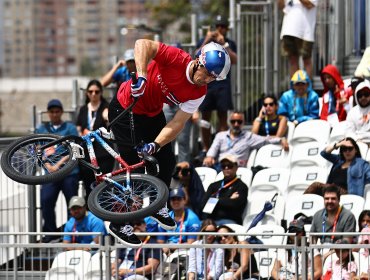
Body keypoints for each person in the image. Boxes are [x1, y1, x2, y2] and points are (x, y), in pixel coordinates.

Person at [107, 38, 231, 247]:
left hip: (152, 114)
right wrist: (142, 76)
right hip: (126, 107)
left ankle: (158, 205)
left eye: (214, 78)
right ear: (199, 62)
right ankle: (120, 222)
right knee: (134, 169)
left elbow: (178, 122)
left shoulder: (199, 93)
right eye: (209, 73)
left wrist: (155, 144)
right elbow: (141, 44)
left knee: (166, 162)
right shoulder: (177, 59)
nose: (208, 80)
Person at [36, 99, 79, 242]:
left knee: (72, 203)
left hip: (69, 172)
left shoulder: (70, 128)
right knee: (46, 201)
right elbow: (37, 150)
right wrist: (48, 166)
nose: (54, 114)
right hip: (50, 173)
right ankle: (51, 232)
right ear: (48, 113)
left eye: (57, 111)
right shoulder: (41, 129)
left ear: (61, 112)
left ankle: (70, 233)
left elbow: (74, 149)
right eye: (52, 112)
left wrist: (58, 164)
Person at [195, 15, 237, 157]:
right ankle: (207, 149)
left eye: (223, 27)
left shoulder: (229, 42)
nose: (220, 29)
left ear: (226, 29)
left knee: (222, 117)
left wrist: (224, 44)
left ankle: (221, 149)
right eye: (218, 26)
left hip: (222, 84)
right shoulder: (205, 42)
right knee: (205, 117)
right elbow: (196, 55)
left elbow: (235, 60)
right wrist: (207, 40)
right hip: (207, 85)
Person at [203, 111, 288, 170]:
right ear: (229, 122)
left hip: (236, 169)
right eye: (233, 121)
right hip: (221, 167)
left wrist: (281, 140)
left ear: (243, 123)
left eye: (239, 122)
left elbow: (266, 140)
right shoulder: (220, 135)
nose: (236, 124)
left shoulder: (248, 137)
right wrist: (210, 157)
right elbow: (213, 150)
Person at [76, 79, 115, 199]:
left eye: (96, 92)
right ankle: (91, 213)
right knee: (89, 188)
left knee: (104, 187)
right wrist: (83, 132)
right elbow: (78, 127)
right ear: (87, 93)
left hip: (103, 154)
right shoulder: (83, 109)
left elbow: (108, 119)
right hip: (87, 154)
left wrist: (107, 117)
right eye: (91, 91)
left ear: (101, 93)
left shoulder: (105, 107)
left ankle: (105, 214)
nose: (93, 94)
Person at [201, 154, 248, 225]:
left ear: (236, 167)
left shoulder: (241, 186)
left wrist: (214, 199)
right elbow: (203, 204)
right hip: (210, 220)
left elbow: (235, 205)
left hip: (229, 220)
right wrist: (228, 199)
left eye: (229, 166)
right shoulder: (213, 185)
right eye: (223, 166)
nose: (226, 168)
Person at [278, 0, 318, 78]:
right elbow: (280, 6)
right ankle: (295, 86)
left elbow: (310, 5)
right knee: (292, 60)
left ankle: (307, 87)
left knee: (306, 59)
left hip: (305, 32)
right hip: (288, 30)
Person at [157, 188, 201, 255]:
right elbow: (160, 241)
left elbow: (191, 243)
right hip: (167, 250)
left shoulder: (192, 218)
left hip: (185, 251)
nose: (176, 201)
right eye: (173, 199)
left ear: (184, 200)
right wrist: (164, 248)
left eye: (179, 199)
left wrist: (173, 247)